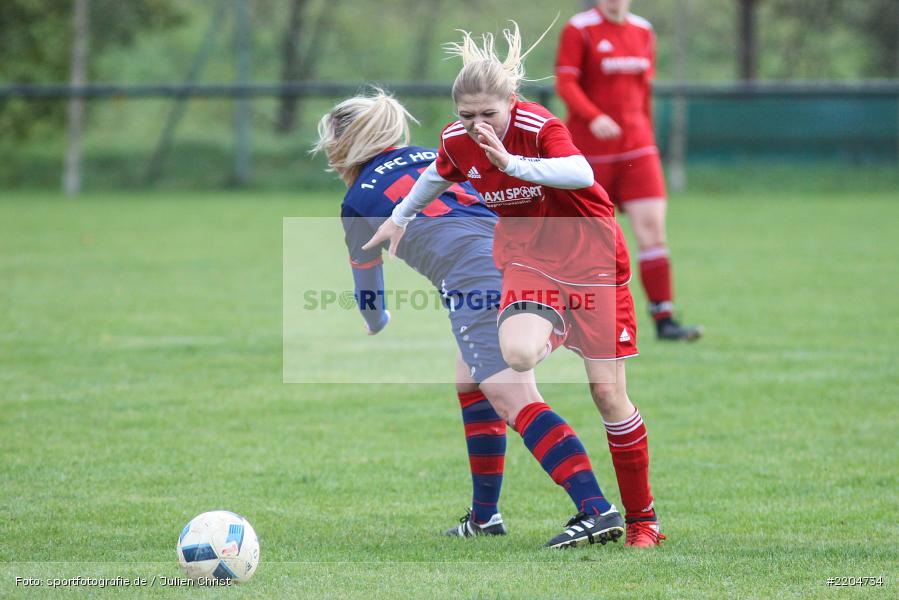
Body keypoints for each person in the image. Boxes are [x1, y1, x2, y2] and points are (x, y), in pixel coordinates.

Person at [364, 24, 665, 547]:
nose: (478, 125)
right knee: (519, 354)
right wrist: (400, 217)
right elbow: (439, 173)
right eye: (467, 115)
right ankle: (555, 327)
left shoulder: (538, 124)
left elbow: (578, 170)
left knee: (608, 395)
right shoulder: (458, 138)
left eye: (489, 114)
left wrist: (513, 163)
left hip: (592, 257)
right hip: (529, 257)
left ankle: (644, 522)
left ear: (511, 102)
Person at [313, 90, 625, 548]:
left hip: (475, 276)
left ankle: (596, 508)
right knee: (470, 378)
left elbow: (370, 297)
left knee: (512, 398)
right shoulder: (441, 153)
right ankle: (484, 518)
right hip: (532, 257)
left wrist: (376, 321)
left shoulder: (358, 200)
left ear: (340, 148)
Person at [555, 0, 703, 341]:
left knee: (652, 231)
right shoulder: (580, 29)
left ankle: (664, 319)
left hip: (637, 150)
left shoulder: (643, 31)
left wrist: (649, 136)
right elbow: (566, 85)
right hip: (589, 153)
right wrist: (595, 117)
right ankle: (570, 317)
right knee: (583, 239)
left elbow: (643, 92)